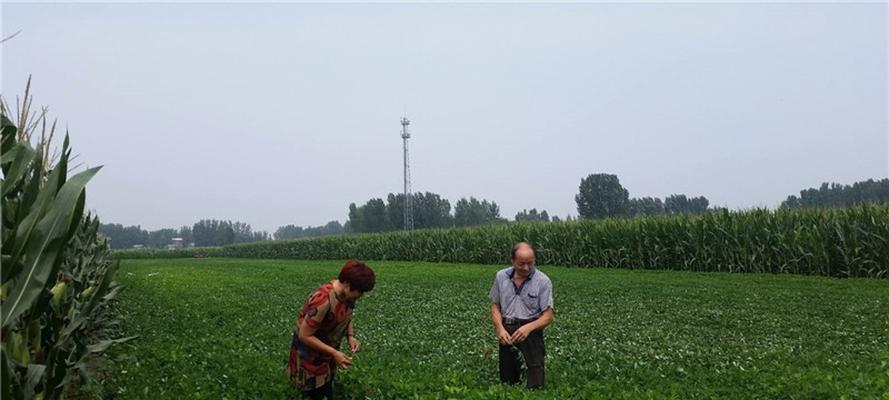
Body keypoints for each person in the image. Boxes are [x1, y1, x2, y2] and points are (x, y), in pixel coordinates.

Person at [287, 260, 376, 399]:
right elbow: (305, 335)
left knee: (327, 383)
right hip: (310, 353)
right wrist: (335, 353)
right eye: (360, 291)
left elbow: (347, 314)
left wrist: (350, 336)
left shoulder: (347, 295)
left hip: (327, 350)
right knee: (315, 391)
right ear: (347, 283)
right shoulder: (323, 300)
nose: (361, 295)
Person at [489, 242, 554, 389]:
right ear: (512, 261)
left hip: (531, 333)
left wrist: (528, 328)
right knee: (508, 381)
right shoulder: (501, 277)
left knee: (534, 382)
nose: (526, 268)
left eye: (530, 263)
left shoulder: (543, 281)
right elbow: (495, 307)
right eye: (521, 264)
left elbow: (548, 316)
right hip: (507, 330)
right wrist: (500, 328)